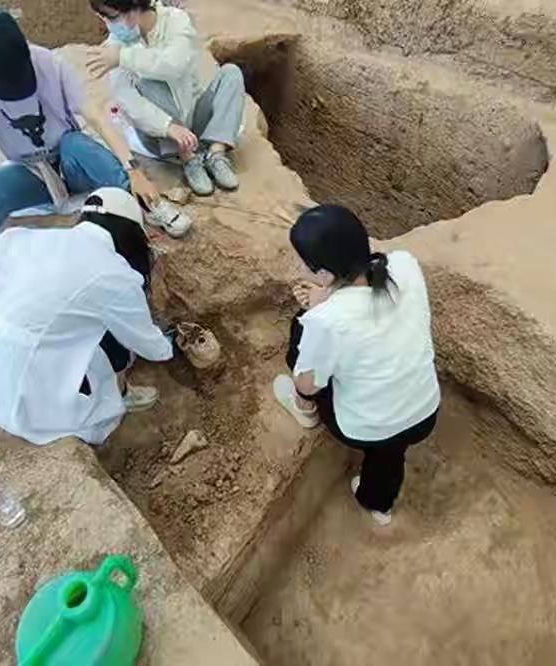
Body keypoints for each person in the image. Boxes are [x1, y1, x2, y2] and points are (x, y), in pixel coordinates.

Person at [0, 5, 190, 295]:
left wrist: (133, 169)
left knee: (77, 145)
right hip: (32, 172)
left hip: (71, 160)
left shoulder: (47, 62)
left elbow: (96, 116)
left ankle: (146, 205)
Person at [0, 187, 174, 446]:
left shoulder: (18, 236)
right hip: (23, 401)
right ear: (130, 236)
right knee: (116, 340)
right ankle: (117, 395)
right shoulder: (115, 273)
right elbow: (148, 345)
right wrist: (170, 346)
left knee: (74, 322)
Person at [273, 205, 440, 526]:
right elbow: (367, 309)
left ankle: (304, 411)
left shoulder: (325, 321)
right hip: (424, 411)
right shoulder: (405, 265)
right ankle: (378, 505)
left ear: (324, 276)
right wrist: (331, 297)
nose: (296, 265)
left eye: (301, 261)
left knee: (300, 334)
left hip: (365, 426)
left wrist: (316, 309)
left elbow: (309, 382)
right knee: (389, 450)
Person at [86, 0, 246, 196]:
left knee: (231, 73)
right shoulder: (113, 47)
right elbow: (128, 101)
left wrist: (124, 58)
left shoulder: (175, 20)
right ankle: (188, 159)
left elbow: (175, 65)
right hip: (161, 135)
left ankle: (216, 153)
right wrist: (167, 126)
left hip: (193, 115)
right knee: (150, 83)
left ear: (131, 10)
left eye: (110, 16)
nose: (109, 23)